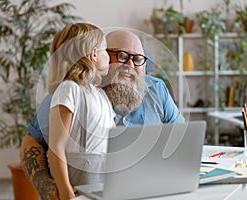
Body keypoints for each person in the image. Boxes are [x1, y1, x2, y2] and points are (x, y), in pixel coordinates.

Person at [20, 29, 184, 200]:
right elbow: (32, 141)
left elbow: (180, 138)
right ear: (97, 55)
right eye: (121, 55)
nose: (130, 65)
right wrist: (47, 186)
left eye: (137, 59)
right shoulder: (74, 90)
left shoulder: (157, 89)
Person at [43, 23, 116, 200]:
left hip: (102, 176)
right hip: (79, 179)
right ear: (93, 54)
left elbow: (114, 138)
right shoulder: (69, 89)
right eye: (105, 50)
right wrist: (66, 190)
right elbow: (56, 146)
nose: (109, 57)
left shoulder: (99, 94)